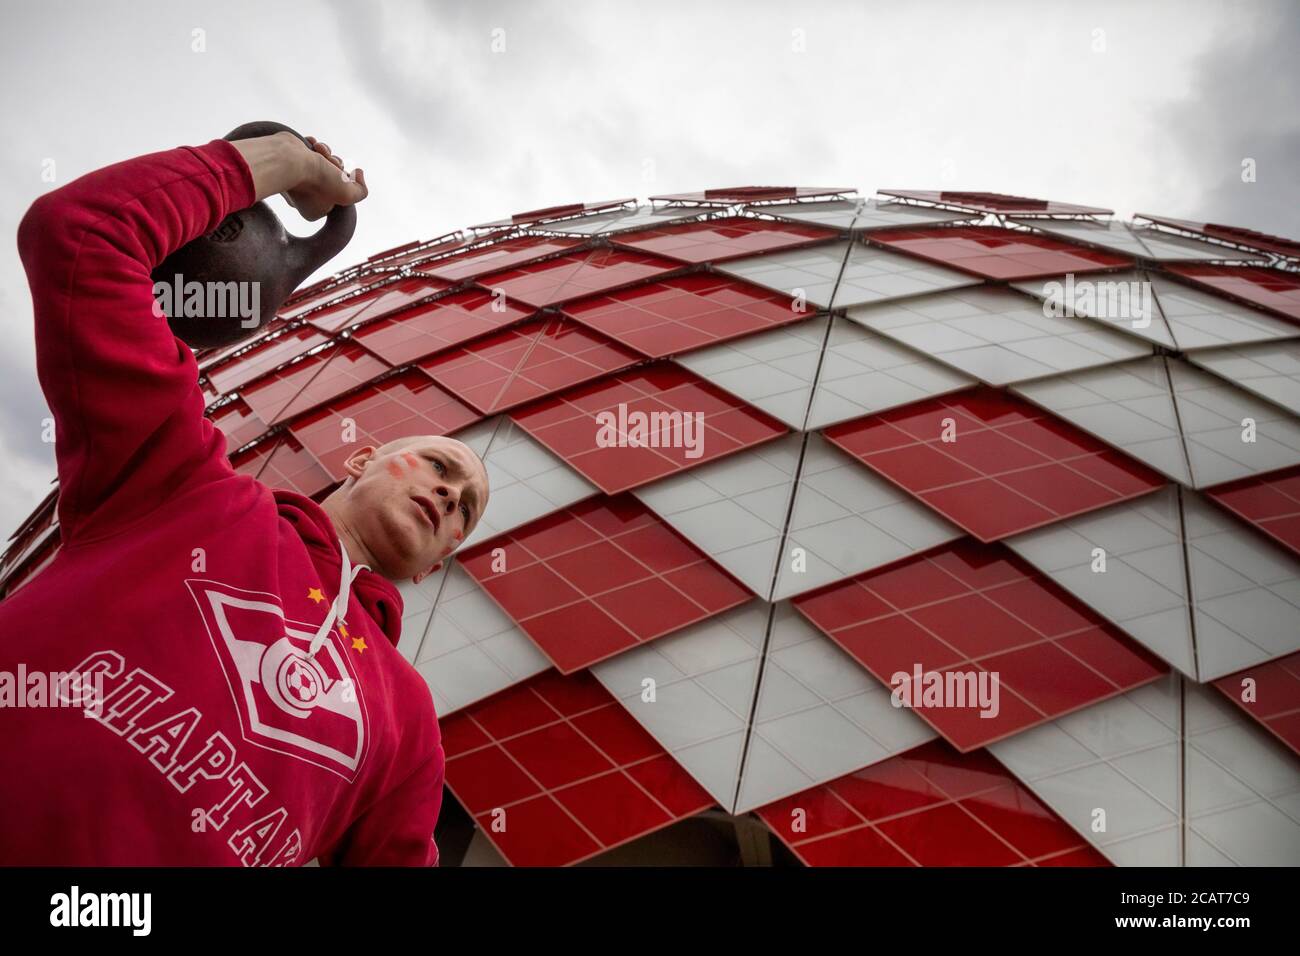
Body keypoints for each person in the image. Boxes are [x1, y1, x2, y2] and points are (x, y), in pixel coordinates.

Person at [0, 129, 489, 865]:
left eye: (465, 510)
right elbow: (80, 237)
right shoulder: (179, 484)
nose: (450, 494)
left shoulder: (408, 724)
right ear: (359, 460)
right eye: (437, 466)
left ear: (435, 564)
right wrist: (275, 164)